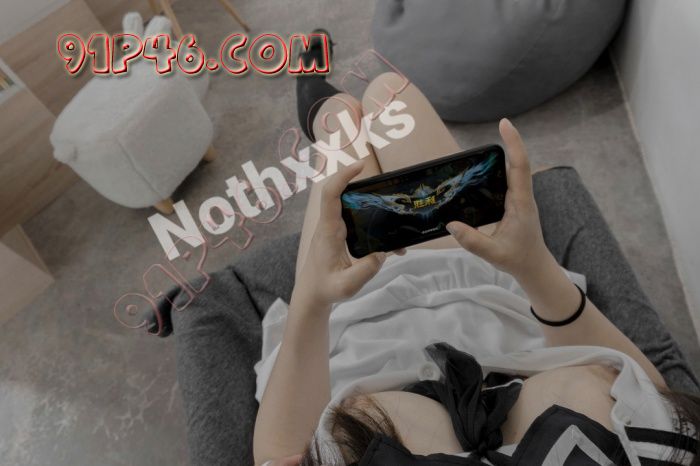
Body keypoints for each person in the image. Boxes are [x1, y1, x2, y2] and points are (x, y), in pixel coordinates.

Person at [253, 34, 700, 466]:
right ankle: (331, 109)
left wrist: (312, 301)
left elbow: (279, 457)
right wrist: (533, 265)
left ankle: (321, 109)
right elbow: (652, 395)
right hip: (487, 293)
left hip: (346, 327)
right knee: (390, 94)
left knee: (341, 126)